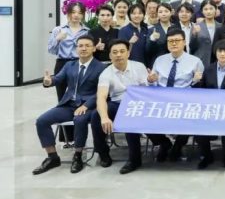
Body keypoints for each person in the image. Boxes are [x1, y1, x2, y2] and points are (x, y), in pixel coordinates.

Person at [33, 35, 106, 175]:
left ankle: (78, 155)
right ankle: (52, 157)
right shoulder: (69, 65)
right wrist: (49, 81)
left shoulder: (101, 67)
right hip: (68, 104)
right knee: (42, 121)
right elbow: (58, 79)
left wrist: (86, 105)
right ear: (76, 48)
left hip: (88, 106)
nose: (83, 48)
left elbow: (101, 92)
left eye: (87, 45)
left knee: (79, 120)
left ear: (93, 48)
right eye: (80, 46)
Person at [91, 39, 151, 174]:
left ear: (128, 53)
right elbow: (101, 97)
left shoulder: (139, 67)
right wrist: (104, 117)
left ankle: (134, 159)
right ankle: (103, 153)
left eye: (122, 51)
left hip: (137, 102)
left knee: (128, 117)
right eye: (115, 52)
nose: (118, 55)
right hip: (117, 103)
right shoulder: (106, 73)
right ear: (110, 55)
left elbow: (147, 90)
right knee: (96, 116)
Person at [146, 29, 204, 163]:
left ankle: (178, 146)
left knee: (191, 116)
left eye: (177, 40)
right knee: (143, 117)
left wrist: (196, 81)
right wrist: (150, 80)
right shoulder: (159, 60)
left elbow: (199, 88)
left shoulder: (195, 61)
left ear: (184, 42)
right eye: (170, 41)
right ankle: (164, 143)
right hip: (161, 99)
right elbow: (153, 82)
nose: (173, 43)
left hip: (185, 100)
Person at [194, 40, 225, 170]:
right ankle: (207, 156)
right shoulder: (208, 69)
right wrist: (197, 81)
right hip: (210, 109)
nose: (222, 54)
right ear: (215, 53)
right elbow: (202, 91)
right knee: (199, 128)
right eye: (220, 51)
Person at [190, 0, 221, 66]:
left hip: (217, 62)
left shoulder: (221, 26)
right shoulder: (196, 26)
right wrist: (194, 34)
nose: (208, 11)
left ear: (216, 9)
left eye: (211, 8)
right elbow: (192, 47)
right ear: (202, 11)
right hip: (200, 61)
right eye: (205, 9)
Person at [145, 3, 174, 68]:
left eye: (166, 11)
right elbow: (147, 51)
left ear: (171, 12)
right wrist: (152, 39)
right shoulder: (152, 29)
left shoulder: (176, 28)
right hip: (158, 64)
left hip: (174, 63)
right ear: (157, 14)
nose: (163, 14)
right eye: (160, 12)